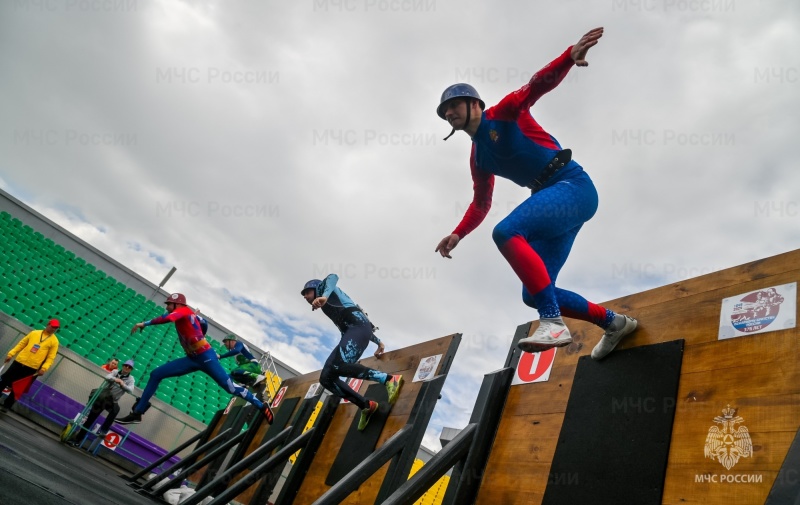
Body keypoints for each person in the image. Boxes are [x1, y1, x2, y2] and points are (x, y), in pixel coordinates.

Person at [433, 27, 638, 360]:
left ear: (474, 104)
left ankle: (552, 324)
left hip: (572, 186)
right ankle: (616, 324)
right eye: (445, 112)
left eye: (454, 106)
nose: (449, 113)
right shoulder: (479, 157)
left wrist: (568, 57)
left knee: (507, 231)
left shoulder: (503, 113)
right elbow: (481, 203)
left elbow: (535, 86)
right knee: (534, 292)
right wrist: (458, 233)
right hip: (550, 200)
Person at [116, 293, 273, 425]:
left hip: (206, 358)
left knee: (230, 388)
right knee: (156, 374)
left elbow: (169, 318)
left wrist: (144, 323)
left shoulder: (183, 311)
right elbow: (194, 322)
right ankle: (138, 412)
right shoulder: (184, 315)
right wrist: (199, 326)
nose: (166, 307)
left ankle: (261, 406)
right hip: (192, 358)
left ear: (177, 305)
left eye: (169, 304)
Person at [302, 275, 403, 431]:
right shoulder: (325, 304)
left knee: (338, 364)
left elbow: (333, 276)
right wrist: (378, 342)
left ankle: (389, 380)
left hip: (359, 327)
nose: (305, 297)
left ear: (316, 288)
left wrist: (324, 296)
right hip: (355, 332)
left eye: (307, 293)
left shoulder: (325, 289)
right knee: (326, 377)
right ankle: (366, 406)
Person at [66, 359, 135, 446]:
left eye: (129, 367)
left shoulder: (131, 379)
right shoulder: (115, 371)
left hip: (112, 401)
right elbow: (107, 377)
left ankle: (103, 430)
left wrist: (122, 384)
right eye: (126, 365)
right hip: (102, 399)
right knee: (90, 420)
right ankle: (77, 440)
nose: (127, 368)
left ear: (131, 369)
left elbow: (131, 390)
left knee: (115, 410)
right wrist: (115, 379)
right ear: (123, 366)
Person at [0, 319, 61, 412]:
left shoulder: (54, 341)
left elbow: (51, 357)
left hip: (31, 368)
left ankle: (6, 406)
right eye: (52, 326)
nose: (53, 329)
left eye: (56, 328)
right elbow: (22, 344)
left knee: (18, 387)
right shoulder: (34, 333)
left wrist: (44, 368)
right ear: (48, 324)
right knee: (5, 380)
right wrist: (11, 354)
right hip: (19, 362)